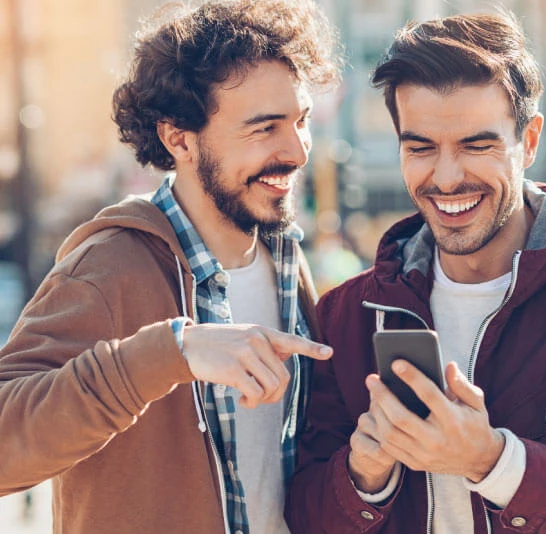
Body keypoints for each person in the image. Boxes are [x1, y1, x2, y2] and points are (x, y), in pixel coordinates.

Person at [287, 11, 546, 534]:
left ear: (529, 141)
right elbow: (305, 515)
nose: (446, 178)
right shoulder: (347, 314)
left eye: (476, 145)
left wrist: (490, 460)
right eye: (420, 148)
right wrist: (362, 477)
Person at [0, 1, 339, 533]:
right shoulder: (108, 267)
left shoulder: (285, 259)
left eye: (301, 121)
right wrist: (168, 354)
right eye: (264, 128)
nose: (297, 151)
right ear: (179, 138)